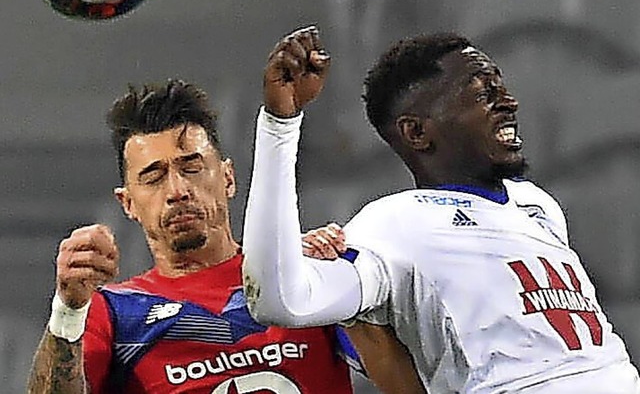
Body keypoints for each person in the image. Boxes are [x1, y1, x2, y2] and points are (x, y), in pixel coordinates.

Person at [242, 26, 640, 393]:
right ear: (417, 132)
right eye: (484, 94)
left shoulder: (536, 206)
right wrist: (280, 124)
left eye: (500, 88)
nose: (509, 103)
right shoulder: (394, 224)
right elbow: (278, 300)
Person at [26, 79, 423, 394]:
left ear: (228, 177)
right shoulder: (112, 312)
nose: (177, 189)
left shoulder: (301, 279)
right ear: (128, 203)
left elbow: (406, 386)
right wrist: (69, 311)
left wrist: (345, 293)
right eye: (154, 176)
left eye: (191, 167)